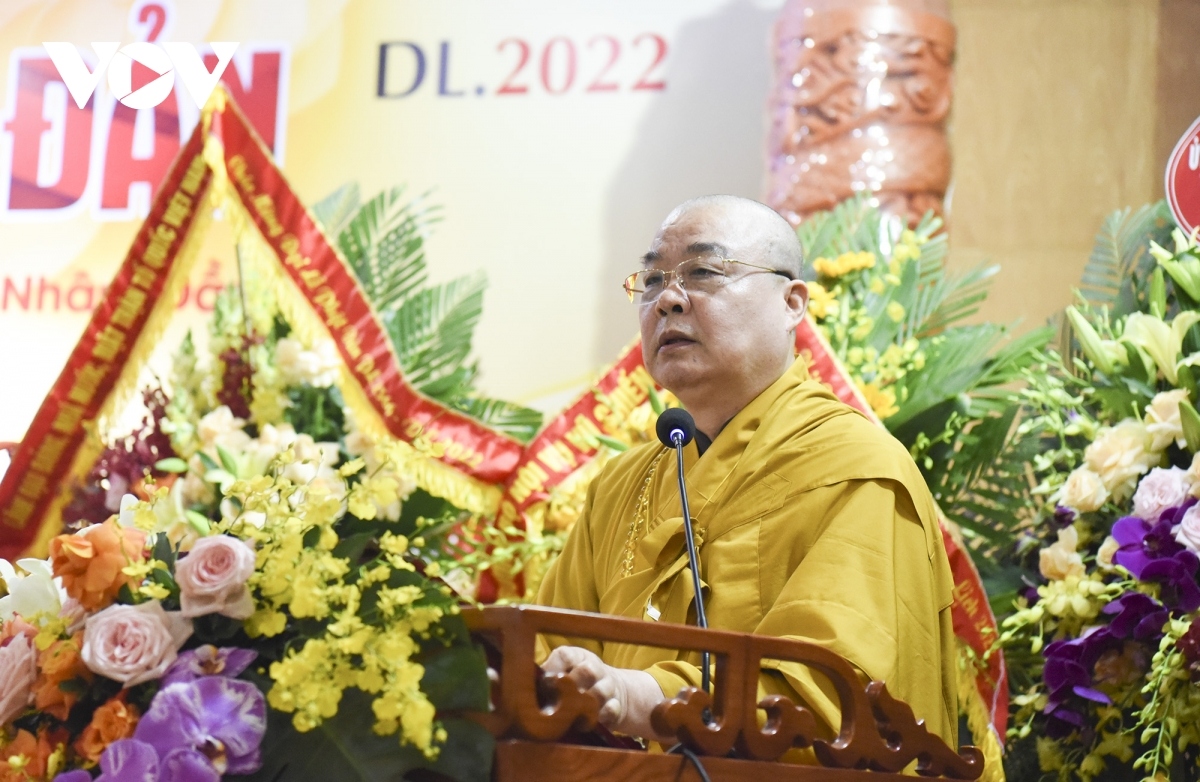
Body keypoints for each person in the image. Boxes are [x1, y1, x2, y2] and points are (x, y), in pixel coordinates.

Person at [535, 194, 958, 749]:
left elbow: (833, 692)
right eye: (653, 279)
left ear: (792, 303)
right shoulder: (621, 486)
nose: (668, 300)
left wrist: (639, 698)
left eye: (704, 272)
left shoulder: (857, 469)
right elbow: (544, 654)